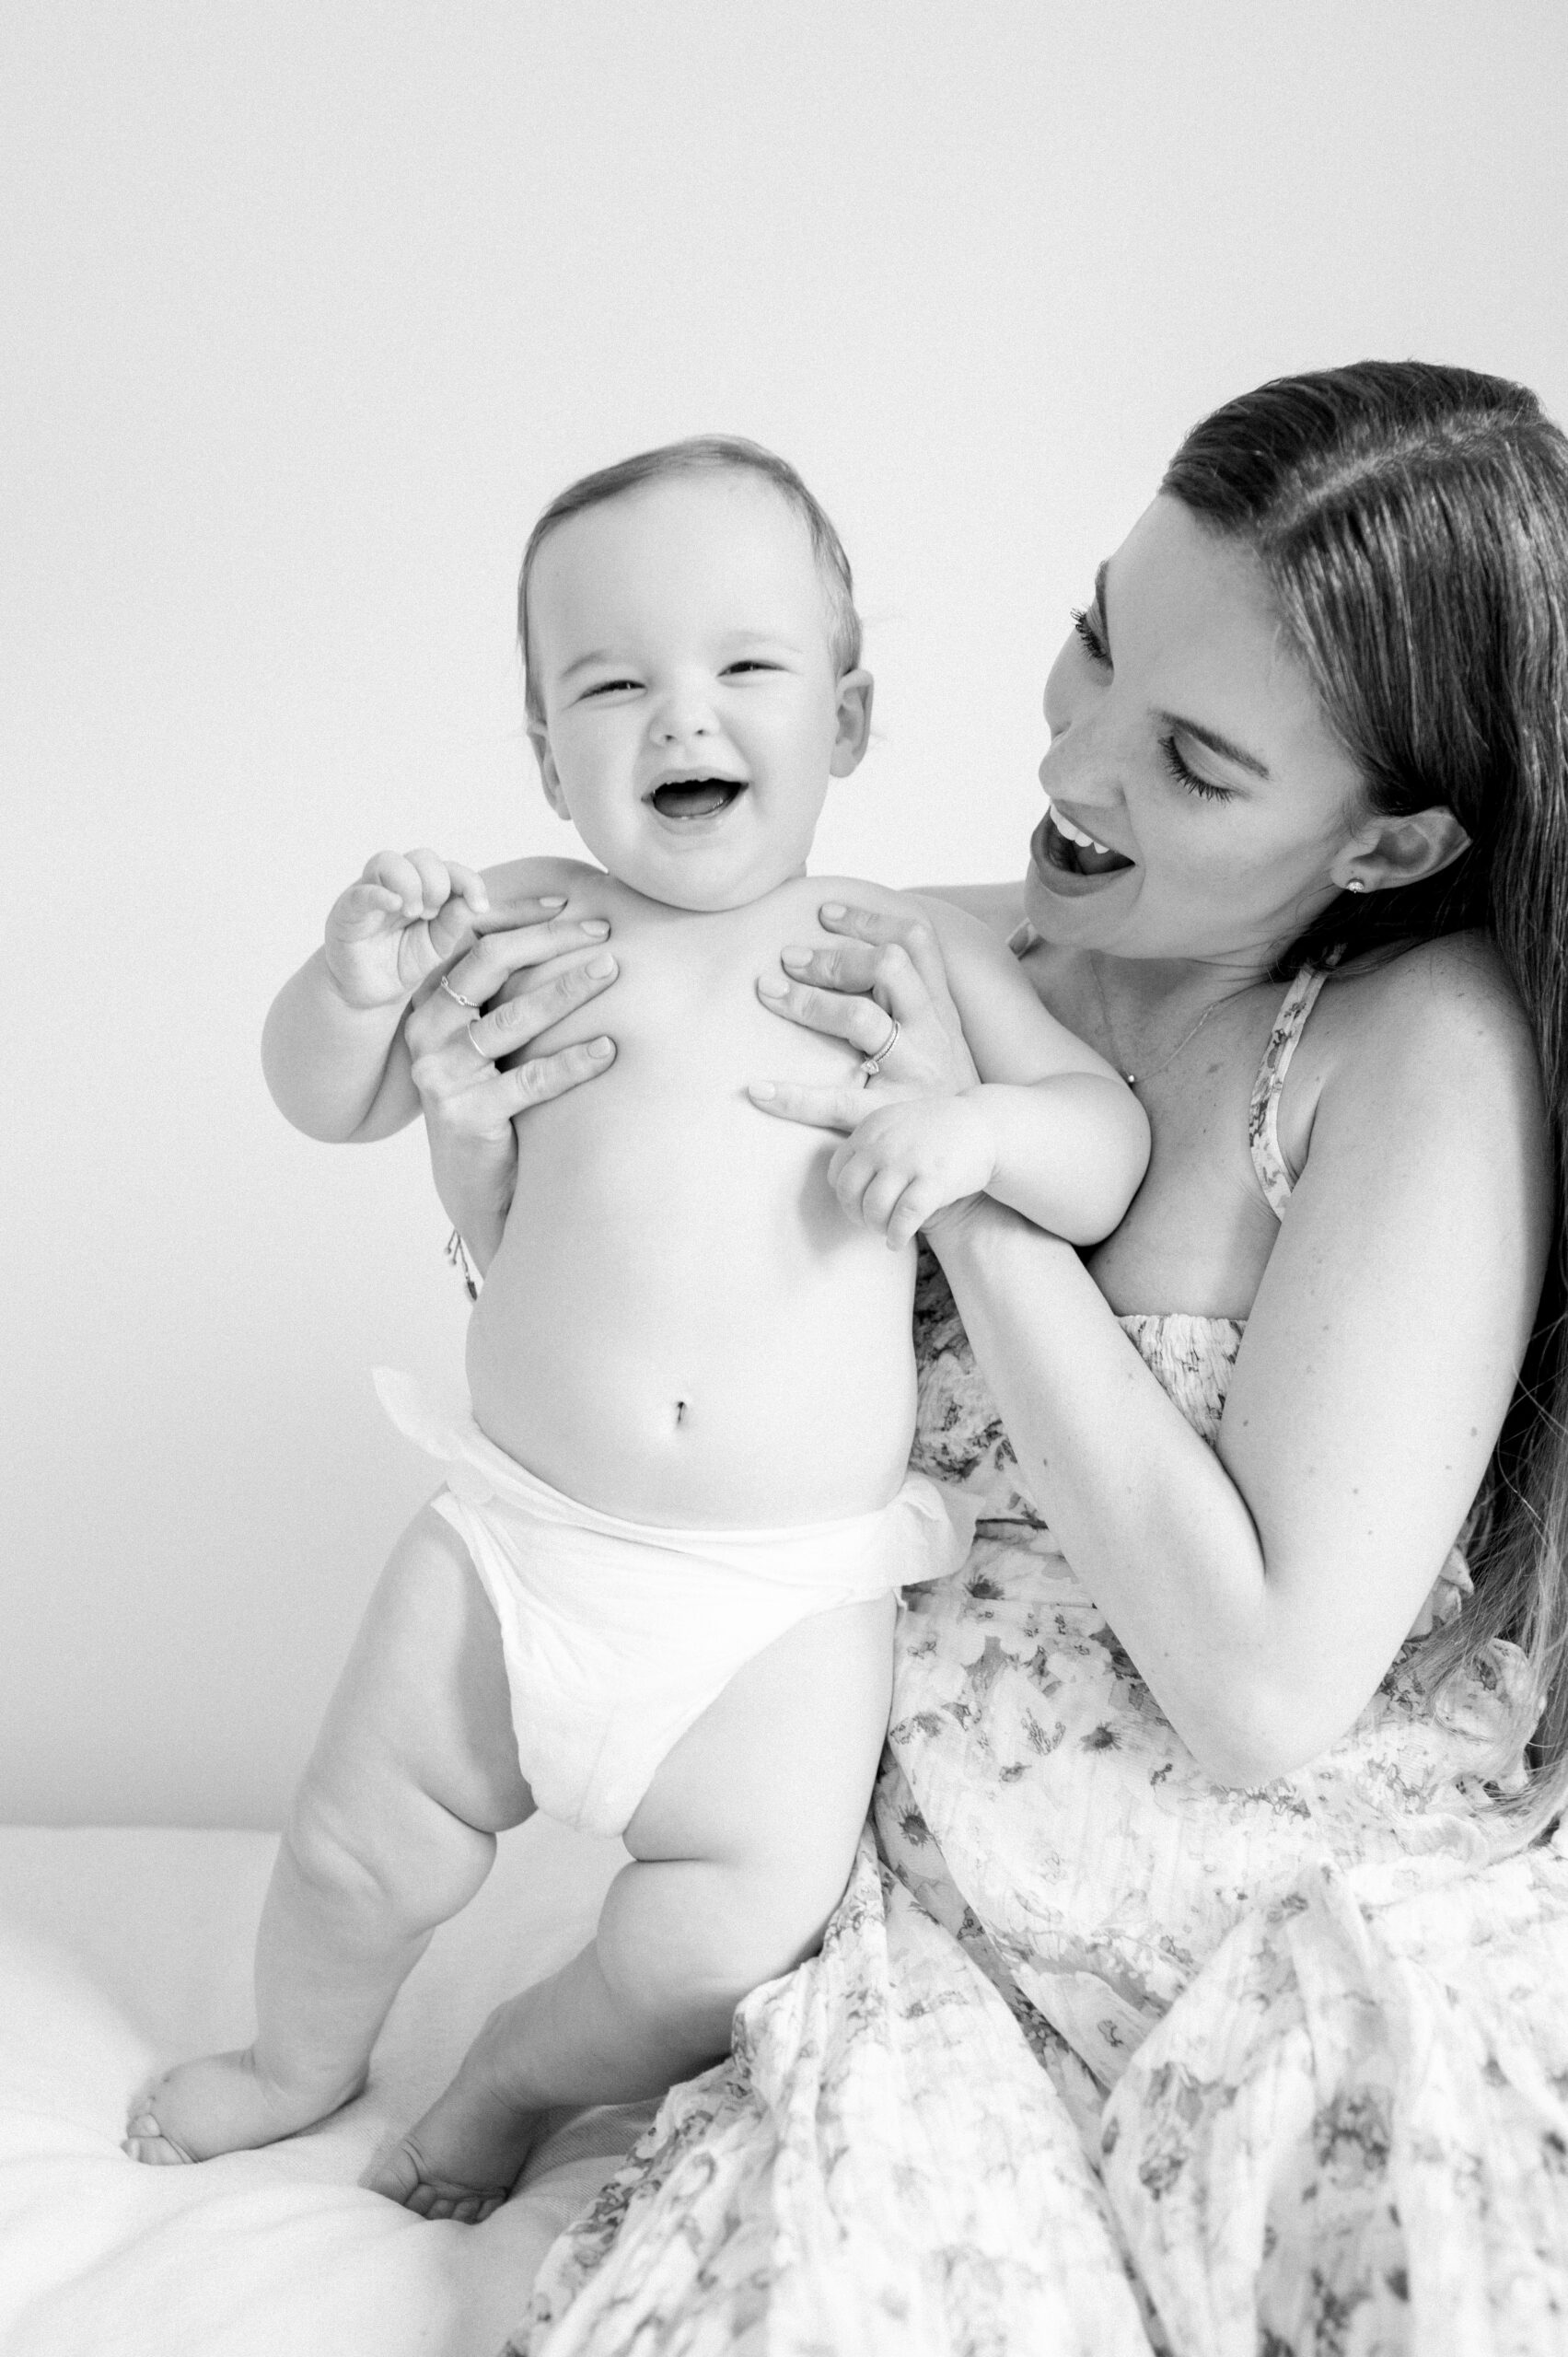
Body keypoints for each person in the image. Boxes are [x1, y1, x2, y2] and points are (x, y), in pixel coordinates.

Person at [422, 366, 1568, 2353]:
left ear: (1388, 846)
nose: (1075, 764)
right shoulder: (918, 946)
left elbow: (1264, 1687)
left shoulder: (1412, 1049)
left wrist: (960, 1179)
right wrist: (475, 1122)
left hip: (1259, 1912)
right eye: (1094, 643)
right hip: (915, 1913)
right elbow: (627, 1352)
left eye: (1193, 761)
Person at [121, 437, 1149, 2223]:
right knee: (356, 1837)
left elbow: (1108, 1138)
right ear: (545, 750)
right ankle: (297, 2056)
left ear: (849, 709)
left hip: (775, 1605)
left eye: (745, 666)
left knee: (724, 1932)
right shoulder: (525, 914)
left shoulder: (894, 945)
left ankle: (521, 2062)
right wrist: (353, 981)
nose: (684, 711)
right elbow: (325, 1092)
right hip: (518, 1541)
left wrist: (977, 1128)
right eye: (614, 679)